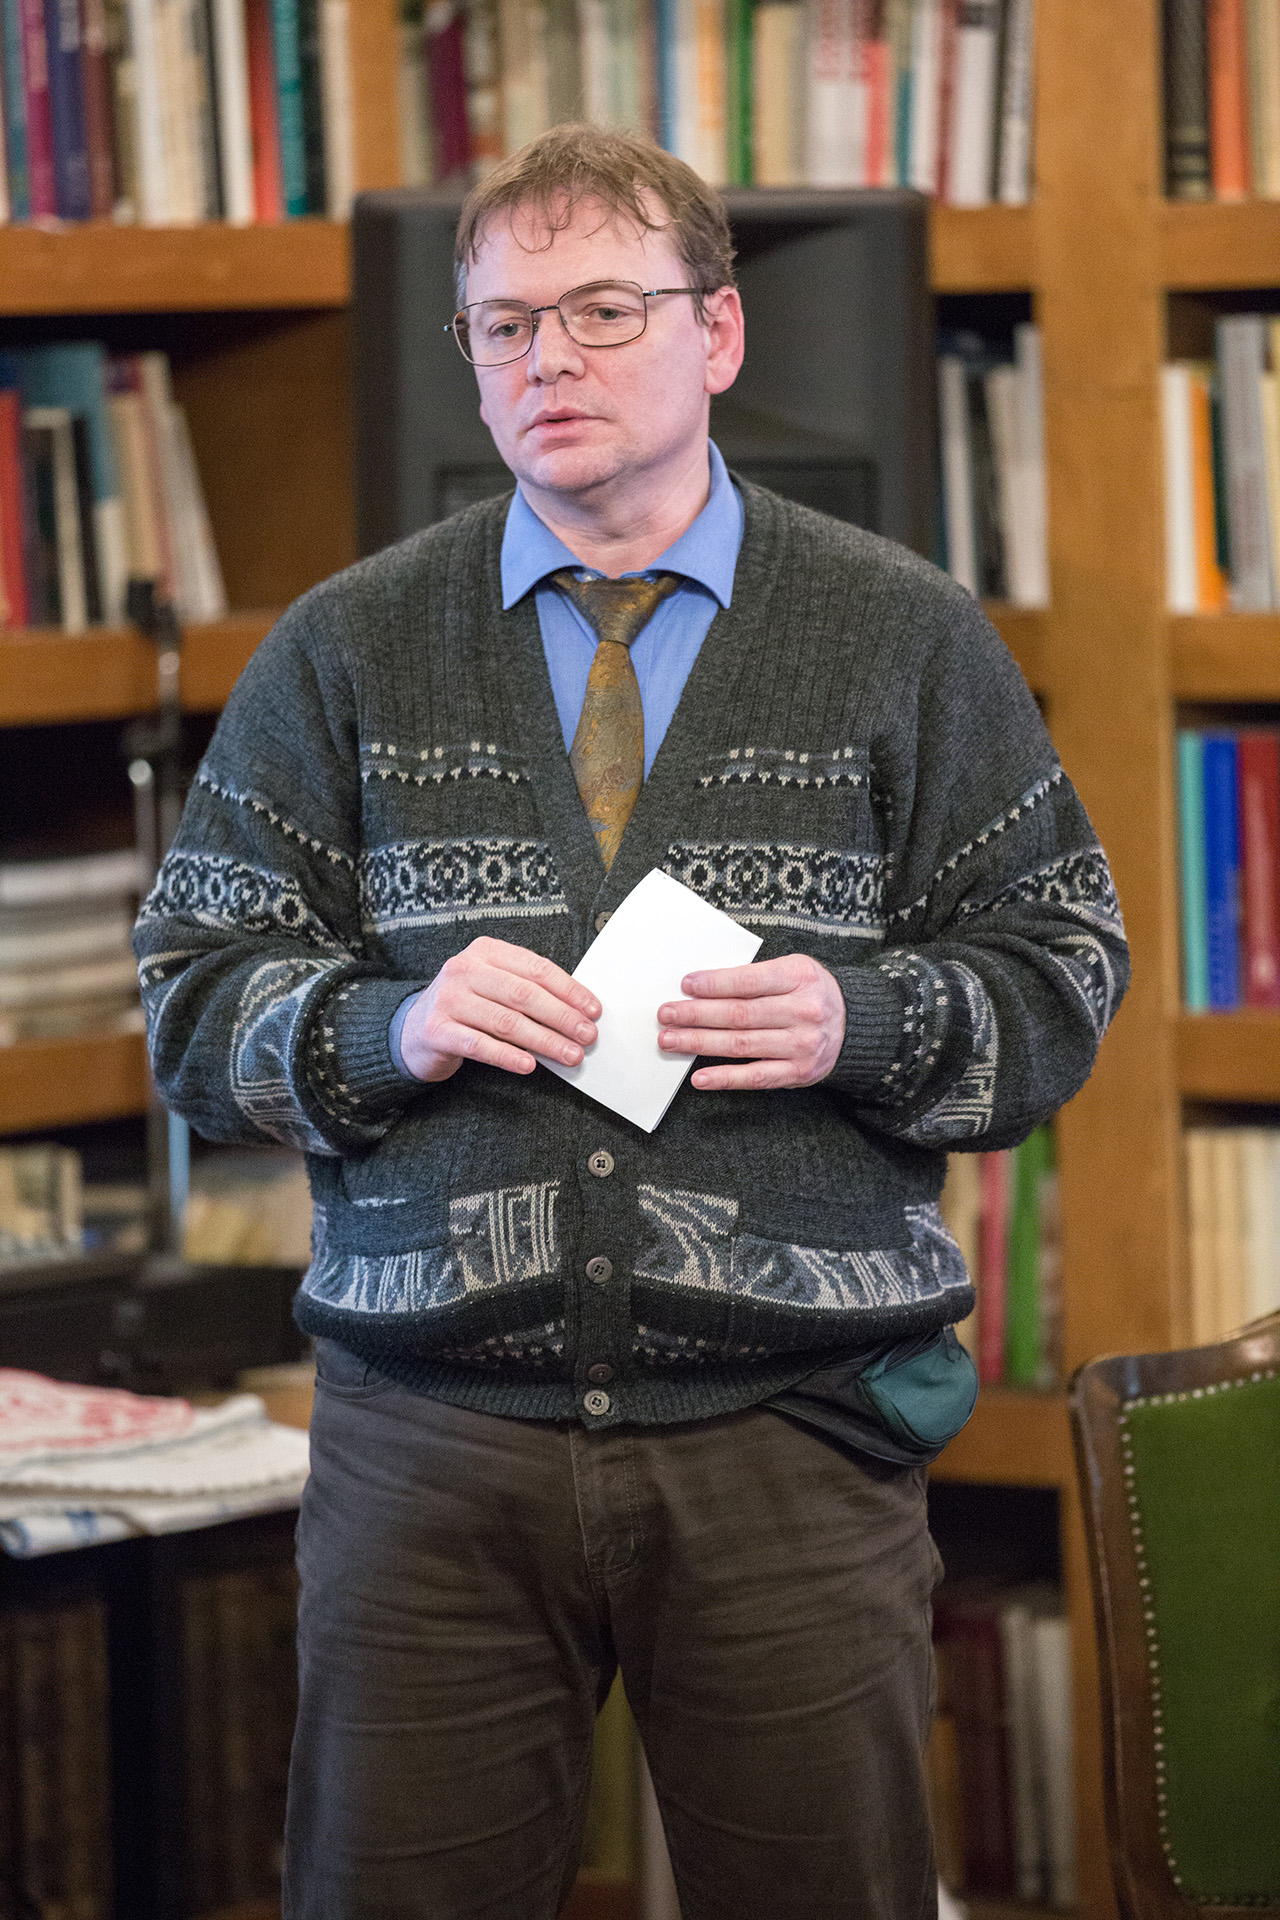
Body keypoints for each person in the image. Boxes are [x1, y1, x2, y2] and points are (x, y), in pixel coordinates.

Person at [134, 124, 1129, 1920]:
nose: (551, 361)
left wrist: (863, 1020)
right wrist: (388, 1029)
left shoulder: (904, 635)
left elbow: (1062, 966)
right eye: (506, 326)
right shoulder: (346, 647)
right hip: (429, 1453)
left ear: (718, 334)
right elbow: (191, 996)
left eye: (604, 311)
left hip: (792, 1436)